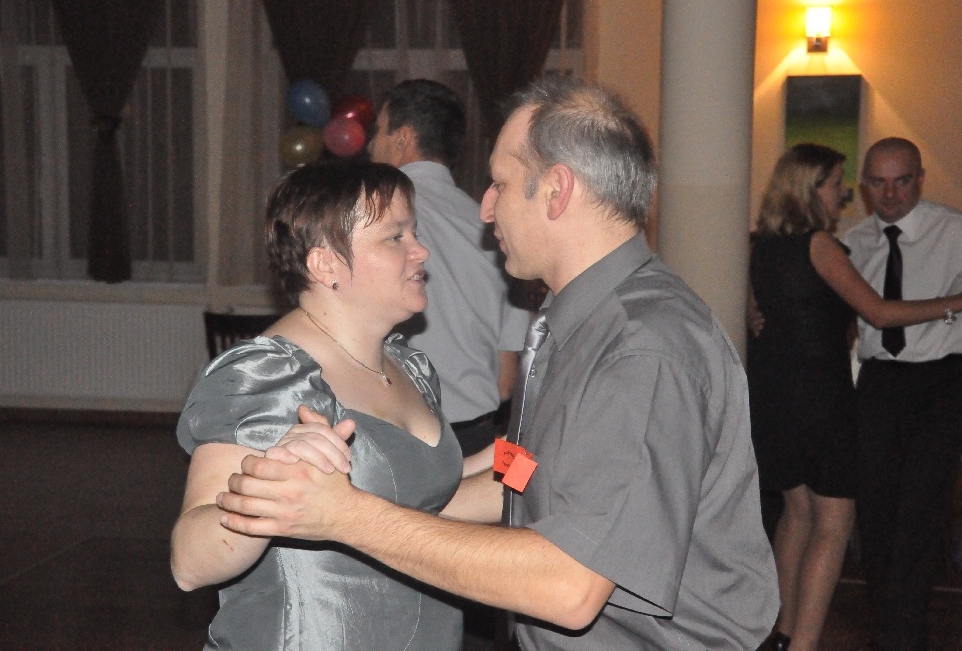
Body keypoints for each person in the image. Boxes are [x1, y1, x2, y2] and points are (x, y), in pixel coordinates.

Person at [216, 75, 781, 650]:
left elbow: (568, 585)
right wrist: (359, 500)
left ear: (557, 191)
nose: (485, 208)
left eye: (500, 184)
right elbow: (530, 470)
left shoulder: (642, 348)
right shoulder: (582, 321)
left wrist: (350, 517)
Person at [170, 161, 466, 650]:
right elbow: (189, 563)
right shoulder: (268, 376)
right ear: (325, 264)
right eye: (395, 237)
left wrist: (524, 459)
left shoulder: (410, 368)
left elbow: (428, 501)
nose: (420, 251)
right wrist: (269, 482)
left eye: (414, 232)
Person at [746, 143, 962, 651]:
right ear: (810, 188)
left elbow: (766, 314)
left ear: (919, 179)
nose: (843, 195)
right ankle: (804, 643)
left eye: (901, 181)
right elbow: (878, 313)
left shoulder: (765, 246)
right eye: (838, 184)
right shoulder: (829, 244)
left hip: (781, 395)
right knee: (837, 522)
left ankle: (782, 634)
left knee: (799, 515)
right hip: (828, 397)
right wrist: (955, 303)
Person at [843, 137, 962, 651]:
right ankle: (886, 618)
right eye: (878, 182)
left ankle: (902, 633)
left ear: (920, 179)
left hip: (942, 379)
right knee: (876, 508)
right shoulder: (852, 242)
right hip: (880, 382)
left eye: (901, 181)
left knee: (921, 508)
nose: (890, 194)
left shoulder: (954, 231)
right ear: (864, 187)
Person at [368, 78, 528, 457]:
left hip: (399, 442)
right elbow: (506, 383)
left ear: (403, 138)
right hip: (480, 442)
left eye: (378, 131)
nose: (370, 145)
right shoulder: (500, 232)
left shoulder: (369, 221)